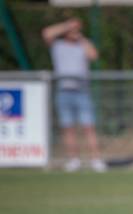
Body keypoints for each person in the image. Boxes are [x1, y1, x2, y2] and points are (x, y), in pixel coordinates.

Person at [42, 17, 106, 172]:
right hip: (64, 91)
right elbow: (47, 33)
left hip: (82, 91)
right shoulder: (58, 45)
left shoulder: (81, 45)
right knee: (68, 128)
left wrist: (81, 36)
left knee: (88, 127)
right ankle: (74, 160)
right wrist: (67, 25)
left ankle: (96, 160)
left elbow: (93, 55)